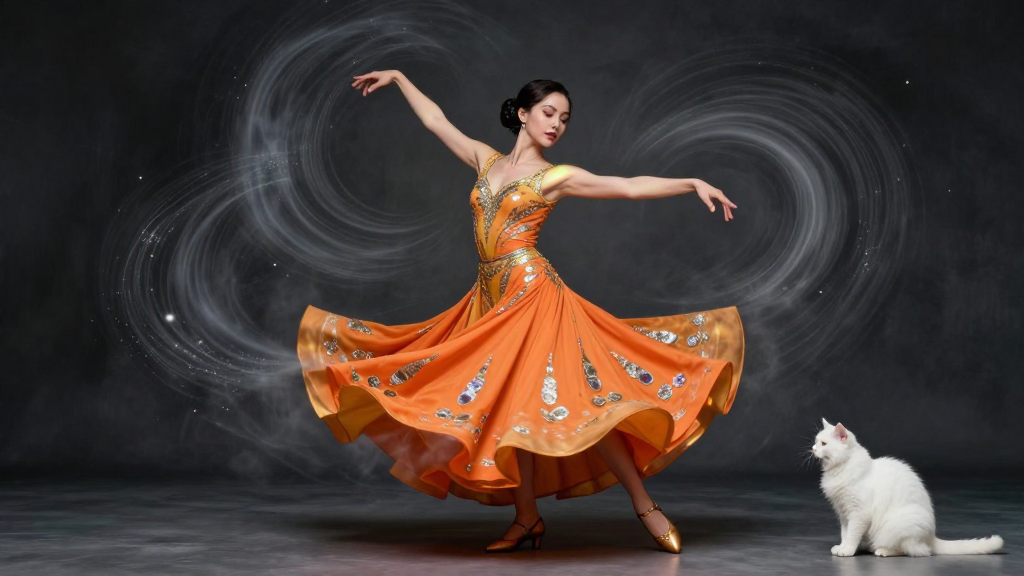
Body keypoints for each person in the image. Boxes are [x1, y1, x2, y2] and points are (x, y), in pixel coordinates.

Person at [296, 70, 745, 554]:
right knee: (513, 410)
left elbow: (628, 186)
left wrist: (691, 182)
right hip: (490, 298)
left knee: (590, 403)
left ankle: (645, 506)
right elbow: (435, 121)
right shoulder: (484, 159)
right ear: (523, 113)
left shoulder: (555, 177)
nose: (556, 125)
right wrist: (401, 78)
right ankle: (527, 518)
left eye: (565, 119)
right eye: (549, 113)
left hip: (534, 297)